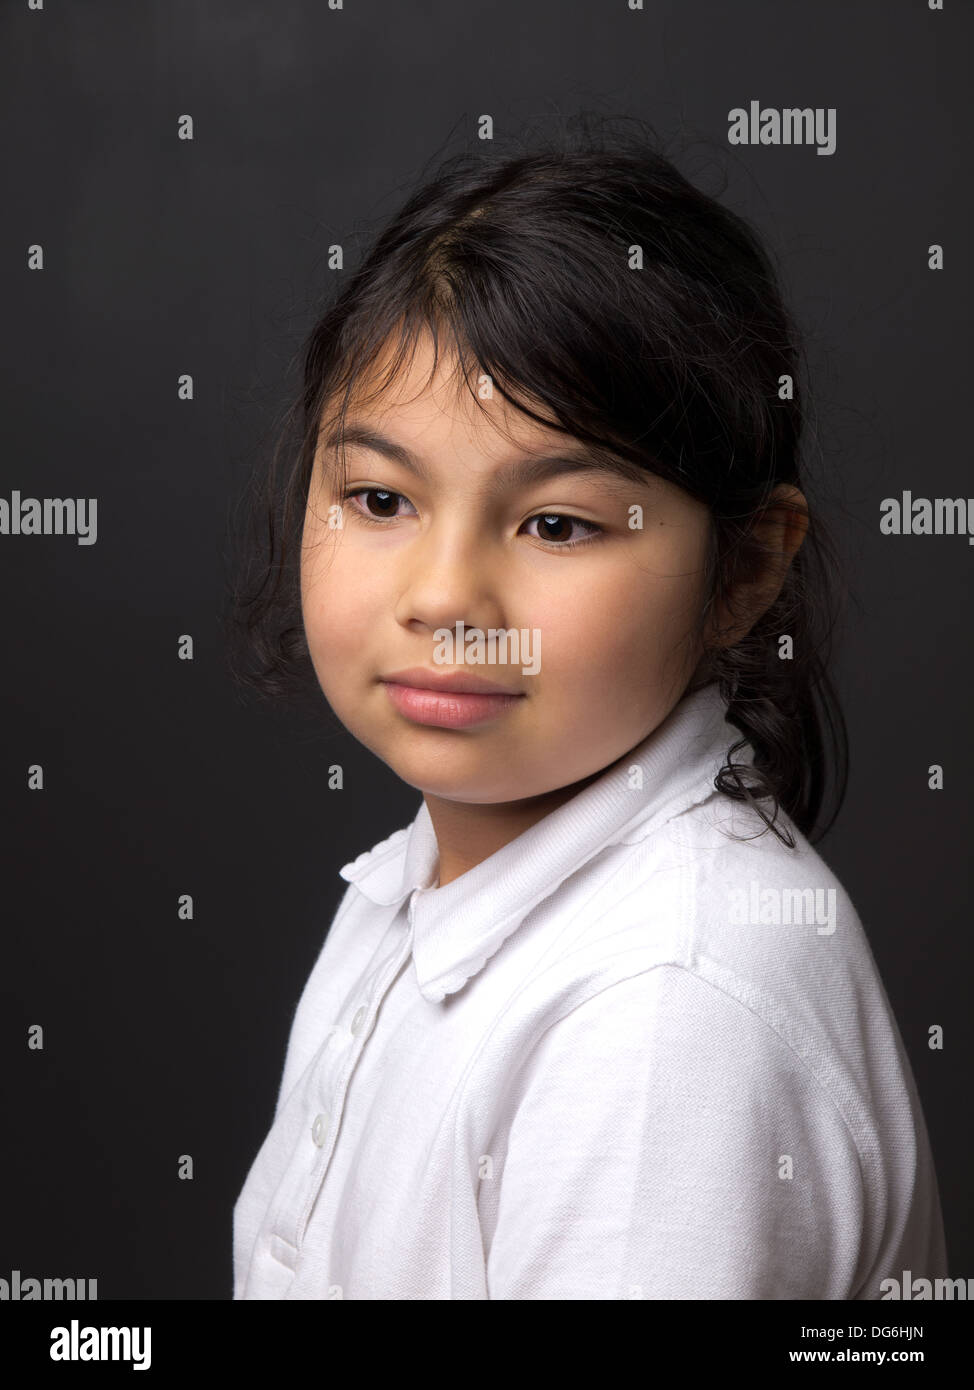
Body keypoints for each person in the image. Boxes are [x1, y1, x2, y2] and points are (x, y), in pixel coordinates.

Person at [229, 116, 947, 1299]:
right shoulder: (422, 881)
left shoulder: (661, 1014)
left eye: (556, 523)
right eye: (378, 496)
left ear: (745, 568)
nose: (444, 595)